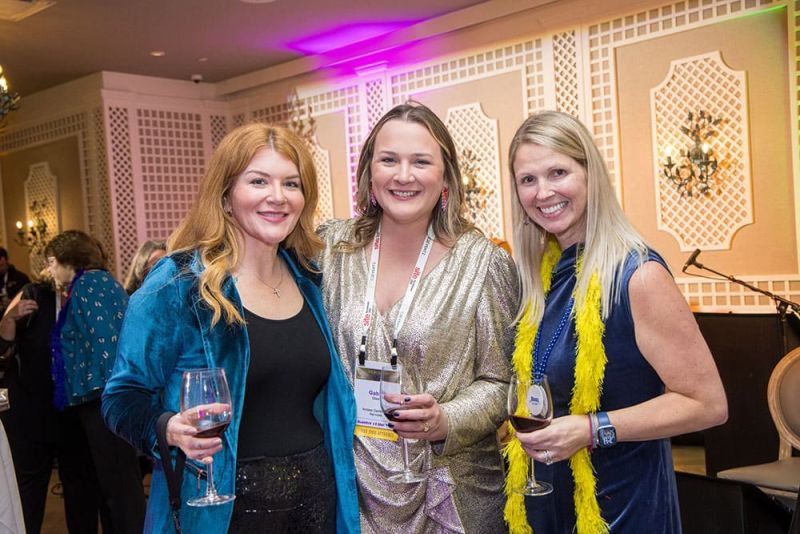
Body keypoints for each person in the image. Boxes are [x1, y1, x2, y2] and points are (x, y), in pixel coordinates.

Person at [102, 124, 360, 533]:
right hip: (221, 511)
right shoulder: (179, 282)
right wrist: (167, 428)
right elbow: (121, 397)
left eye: (291, 183)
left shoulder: (312, 280)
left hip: (316, 506)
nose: (277, 196)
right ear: (225, 196)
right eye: (258, 181)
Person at [503, 111, 728, 533]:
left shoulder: (638, 275)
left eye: (558, 172)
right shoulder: (539, 280)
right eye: (527, 179)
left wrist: (592, 429)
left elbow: (708, 404)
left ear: (590, 174)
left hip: (625, 509)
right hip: (551, 505)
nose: (543, 192)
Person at [317, 102, 519, 533]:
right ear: (369, 172)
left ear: (446, 176)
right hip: (353, 490)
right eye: (389, 160)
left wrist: (446, 418)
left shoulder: (483, 264)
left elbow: (503, 382)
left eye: (421, 162)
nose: (403, 175)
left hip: (449, 493)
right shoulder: (331, 250)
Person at [44, 230, 146, 534]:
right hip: (103, 396)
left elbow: (107, 343)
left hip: (104, 398)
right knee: (114, 486)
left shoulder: (89, 284)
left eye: (52, 262)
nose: (49, 270)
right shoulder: (97, 282)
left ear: (69, 259)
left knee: (120, 489)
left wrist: (110, 396)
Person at [0, 270, 100, 534]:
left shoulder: (91, 293)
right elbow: (2, 348)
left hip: (76, 412)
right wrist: (10, 319)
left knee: (81, 493)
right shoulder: (33, 293)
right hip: (32, 412)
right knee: (28, 494)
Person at [0, 247, 31, 314]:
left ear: (6, 260)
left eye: (1, 265)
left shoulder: (20, 278)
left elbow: (29, 297)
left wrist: (13, 302)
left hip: (18, 313)